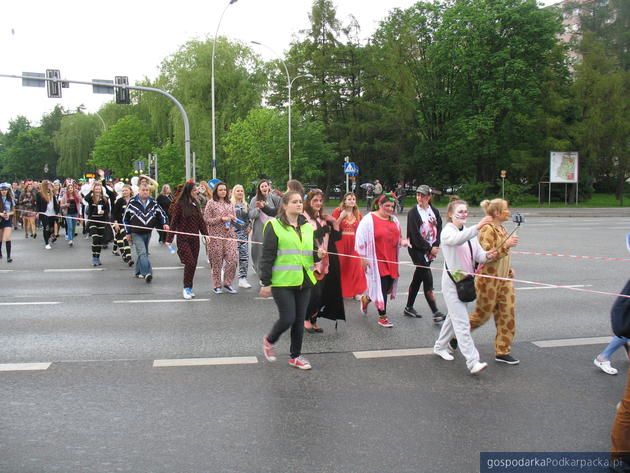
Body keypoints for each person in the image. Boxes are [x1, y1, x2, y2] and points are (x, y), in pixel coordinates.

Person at [261, 191, 324, 370]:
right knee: (288, 318)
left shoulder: (307, 227)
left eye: (300, 202)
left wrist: (318, 254)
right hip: (282, 281)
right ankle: (269, 340)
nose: (299, 204)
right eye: (294, 202)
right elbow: (267, 256)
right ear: (285, 205)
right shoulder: (274, 225)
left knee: (298, 321)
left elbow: (310, 254)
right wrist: (265, 282)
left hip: (304, 280)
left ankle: (295, 356)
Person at [433, 197, 495, 375]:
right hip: (453, 283)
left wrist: (489, 255)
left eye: (465, 211)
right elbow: (457, 240)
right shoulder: (447, 232)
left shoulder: (469, 233)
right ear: (450, 214)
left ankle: (440, 346)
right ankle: (472, 361)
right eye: (459, 211)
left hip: (465, 282)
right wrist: (479, 226)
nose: (463, 214)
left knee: (454, 318)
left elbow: (479, 256)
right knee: (461, 323)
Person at [468, 198, 521, 364]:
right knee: (481, 316)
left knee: (507, 315)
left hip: (504, 279)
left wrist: (509, 268)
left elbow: (503, 256)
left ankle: (502, 351)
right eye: (506, 209)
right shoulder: (487, 229)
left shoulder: (503, 228)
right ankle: (455, 335)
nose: (509, 212)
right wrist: (507, 246)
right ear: (497, 212)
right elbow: (486, 256)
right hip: (488, 281)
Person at [355, 192, 410, 328]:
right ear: (379, 204)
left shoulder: (394, 220)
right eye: (387, 206)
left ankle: (366, 298)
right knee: (382, 286)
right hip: (376, 260)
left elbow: (398, 236)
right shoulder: (369, 219)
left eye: (392, 206)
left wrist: (402, 241)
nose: (390, 209)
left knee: (386, 288)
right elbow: (359, 239)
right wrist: (362, 258)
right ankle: (382, 316)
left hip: (391, 259)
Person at [303, 189, 345, 333]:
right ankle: (305, 318)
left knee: (321, 293)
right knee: (313, 293)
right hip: (310, 260)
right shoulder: (303, 218)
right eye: (315, 200)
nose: (318, 203)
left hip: (324, 261)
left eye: (320, 201)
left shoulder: (323, 218)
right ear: (308, 202)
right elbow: (303, 237)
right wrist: (322, 230)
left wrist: (333, 221)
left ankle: (314, 319)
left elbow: (336, 238)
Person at [404, 185, 446, 322]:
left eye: (422, 195)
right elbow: (415, 236)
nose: (419, 198)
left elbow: (439, 228)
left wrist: (435, 245)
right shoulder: (413, 213)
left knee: (418, 278)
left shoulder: (433, 211)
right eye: (417, 195)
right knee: (427, 279)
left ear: (429, 197)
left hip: (430, 250)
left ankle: (408, 307)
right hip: (417, 250)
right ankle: (435, 312)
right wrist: (429, 249)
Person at [166, 181, 208, 299]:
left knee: (193, 264)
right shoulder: (179, 205)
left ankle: (190, 287)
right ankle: (186, 288)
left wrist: (206, 235)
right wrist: (169, 238)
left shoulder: (196, 203)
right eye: (194, 190)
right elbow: (173, 222)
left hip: (195, 239)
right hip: (183, 239)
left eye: (196, 190)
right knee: (189, 262)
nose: (196, 192)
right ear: (188, 191)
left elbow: (201, 222)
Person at [123, 183, 169, 282]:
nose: (145, 192)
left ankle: (138, 271)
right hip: (136, 232)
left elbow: (162, 214)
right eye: (143, 190)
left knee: (142, 254)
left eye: (147, 190)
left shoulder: (153, 202)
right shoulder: (132, 202)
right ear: (139, 191)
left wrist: (165, 223)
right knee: (142, 253)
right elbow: (125, 218)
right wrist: (128, 232)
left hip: (148, 232)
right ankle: (147, 273)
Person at [204, 182, 239, 294]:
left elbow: (235, 220)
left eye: (224, 190)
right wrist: (220, 218)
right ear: (216, 191)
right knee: (216, 262)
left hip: (229, 236)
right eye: (220, 190)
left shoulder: (230, 204)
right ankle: (217, 285)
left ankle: (228, 283)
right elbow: (206, 219)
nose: (223, 192)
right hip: (216, 237)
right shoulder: (211, 203)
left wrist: (232, 218)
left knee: (233, 259)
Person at [332, 192, 367, 299]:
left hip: (354, 243)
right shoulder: (338, 211)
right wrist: (341, 217)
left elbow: (361, 230)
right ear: (344, 201)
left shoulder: (357, 213)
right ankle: (338, 291)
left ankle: (356, 292)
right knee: (341, 267)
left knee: (355, 267)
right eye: (349, 199)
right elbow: (334, 227)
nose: (352, 201)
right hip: (341, 242)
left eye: (353, 199)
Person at [249, 179, 281, 278]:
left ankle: (271, 273)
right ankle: (260, 272)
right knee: (259, 251)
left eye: (265, 186)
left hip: (273, 229)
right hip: (259, 229)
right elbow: (250, 214)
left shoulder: (275, 198)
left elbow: (280, 211)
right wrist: (258, 209)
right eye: (262, 186)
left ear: (269, 187)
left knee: (272, 251)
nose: (264, 188)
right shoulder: (254, 200)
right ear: (259, 188)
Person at [84, 180, 111, 266]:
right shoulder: (91, 199)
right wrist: (91, 190)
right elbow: (85, 198)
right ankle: (94, 257)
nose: (97, 191)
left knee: (99, 241)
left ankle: (97, 257)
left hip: (102, 221)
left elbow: (107, 210)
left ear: (101, 190)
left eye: (99, 189)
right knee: (95, 239)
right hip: (93, 221)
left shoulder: (105, 199)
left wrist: (103, 212)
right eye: (96, 189)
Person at [230, 184, 252, 289]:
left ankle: (242, 278)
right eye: (238, 191)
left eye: (241, 191)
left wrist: (249, 226)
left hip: (243, 235)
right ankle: (227, 277)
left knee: (244, 257)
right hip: (232, 235)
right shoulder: (230, 204)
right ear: (234, 192)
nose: (240, 192)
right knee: (232, 258)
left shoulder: (245, 205)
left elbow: (249, 218)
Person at [111, 184, 134, 266]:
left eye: (126, 190)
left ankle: (123, 254)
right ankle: (129, 258)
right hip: (119, 222)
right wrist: (115, 222)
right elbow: (114, 213)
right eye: (123, 190)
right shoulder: (119, 201)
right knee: (125, 237)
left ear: (130, 191)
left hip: (130, 223)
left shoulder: (134, 200)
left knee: (119, 238)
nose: (124, 192)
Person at [35, 180, 60, 250]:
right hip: (44, 213)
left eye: (50, 184)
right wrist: (37, 212)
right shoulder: (39, 194)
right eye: (48, 184)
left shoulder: (52, 193)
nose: (49, 186)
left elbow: (55, 203)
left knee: (51, 228)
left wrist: (58, 211)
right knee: (46, 228)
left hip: (52, 213)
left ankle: (49, 236)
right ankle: (47, 243)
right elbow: (37, 205)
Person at [59, 181, 82, 247]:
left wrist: (78, 195)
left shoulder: (76, 195)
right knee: (70, 226)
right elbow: (61, 205)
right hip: (68, 213)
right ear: (67, 189)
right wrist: (66, 205)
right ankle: (70, 240)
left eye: (72, 188)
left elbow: (81, 200)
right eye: (69, 188)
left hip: (75, 213)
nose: (70, 189)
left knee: (74, 227)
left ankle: (71, 237)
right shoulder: (65, 196)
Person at [0, 183, 15, 262]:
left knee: (7, 237)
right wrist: (1, 214)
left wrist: (8, 214)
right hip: (0, 219)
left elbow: (13, 211)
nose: (4, 191)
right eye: (2, 190)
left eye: (5, 190)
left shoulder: (10, 199)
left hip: (7, 220)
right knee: (0, 238)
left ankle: (8, 256)